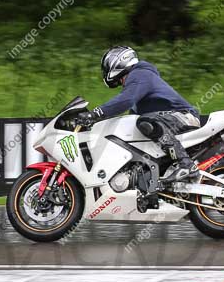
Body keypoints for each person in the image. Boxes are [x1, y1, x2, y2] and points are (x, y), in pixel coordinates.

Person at [74, 46, 201, 182]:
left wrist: (95, 114)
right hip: (168, 120)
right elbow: (128, 117)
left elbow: (125, 100)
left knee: (145, 121)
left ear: (118, 62)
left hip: (184, 116)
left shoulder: (140, 74)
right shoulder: (136, 84)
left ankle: (186, 165)